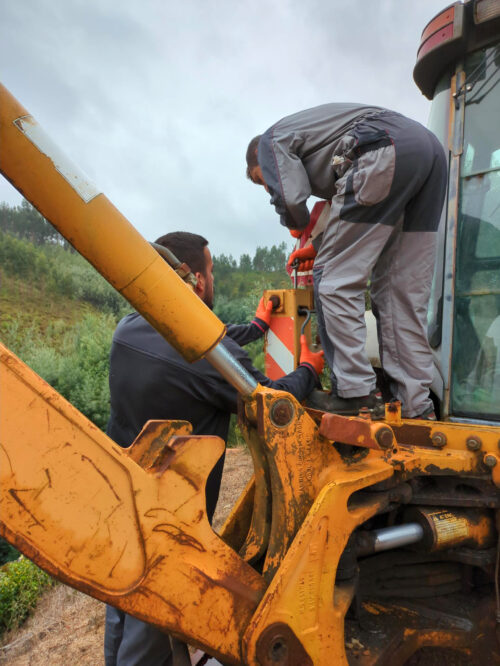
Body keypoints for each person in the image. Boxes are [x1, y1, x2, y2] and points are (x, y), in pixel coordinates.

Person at [104, 231, 323, 666]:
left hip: (122, 503)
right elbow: (271, 399)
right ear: (198, 282)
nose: (213, 276)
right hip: (170, 526)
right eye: (212, 269)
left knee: (122, 609)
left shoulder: (128, 327)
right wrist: (309, 369)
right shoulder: (205, 358)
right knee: (152, 630)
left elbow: (211, 338)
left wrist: (258, 327)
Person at [246, 103, 447, 419]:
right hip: (429, 155)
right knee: (400, 293)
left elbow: (290, 198)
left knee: (334, 280)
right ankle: (415, 406)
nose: (268, 185)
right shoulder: (323, 141)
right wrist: (318, 244)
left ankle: (355, 393)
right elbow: (347, 202)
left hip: (380, 150)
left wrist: (294, 223)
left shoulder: (271, 141)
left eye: (263, 180)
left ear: (260, 160)